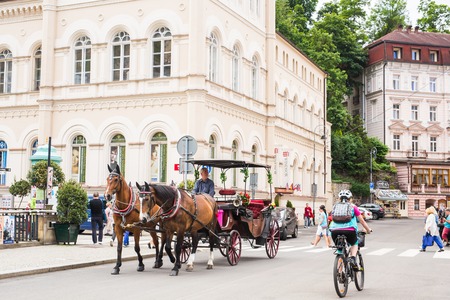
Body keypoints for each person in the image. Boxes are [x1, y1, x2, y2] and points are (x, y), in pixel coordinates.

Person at [329, 190, 372, 270]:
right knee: (354, 243)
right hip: (349, 230)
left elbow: (332, 219)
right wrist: (368, 230)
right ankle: (352, 258)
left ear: (339, 198)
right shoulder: (353, 207)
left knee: (340, 250)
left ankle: (340, 273)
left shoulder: (335, 206)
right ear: (350, 199)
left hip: (334, 231)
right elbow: (362, 221)